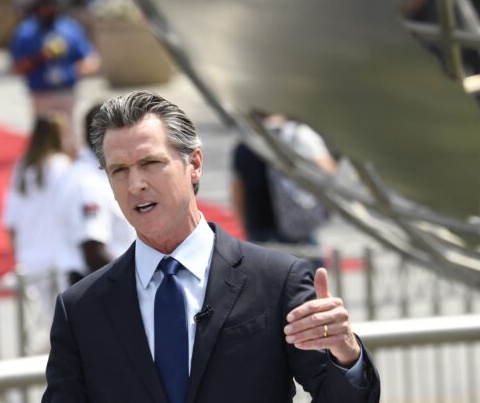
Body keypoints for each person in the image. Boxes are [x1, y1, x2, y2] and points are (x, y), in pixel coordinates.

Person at [42, 91, 380, 402]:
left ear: (195, 164)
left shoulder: (276, 281)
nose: (136, 184)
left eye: (150, 163)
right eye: (119, 170)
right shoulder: (81, 310)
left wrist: (345, 351)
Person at [232, 111, 335, 268]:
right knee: (310, 282)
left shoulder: (245, 144)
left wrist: (246, 225)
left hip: (259, 228)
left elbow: (238, 190)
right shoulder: (299, 135)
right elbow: (327, 173)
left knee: (265, 284)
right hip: (297, 226)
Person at [53, 104, 136, 287]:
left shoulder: (95, 173)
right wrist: (132, 286)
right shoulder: (88, 183)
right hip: (99, 288)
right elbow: (93, 251)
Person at [10, 0, 99, 157]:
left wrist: (75, 70)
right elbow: (17, 66)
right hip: (41, 93)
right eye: (45, 9)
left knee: (72, 139)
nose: (48, 12)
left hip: (66, 91)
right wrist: (41, 57)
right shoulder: (26, 32)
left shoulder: (70, 28)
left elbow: (90, 59)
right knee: (46, 141)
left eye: (52, 9)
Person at [1, 114, 70, 305]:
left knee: (51, 314)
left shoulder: (22, 167)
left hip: (31, 254)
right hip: (58, 253)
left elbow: (10, 216)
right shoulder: (60, 165)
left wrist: (17, 251)